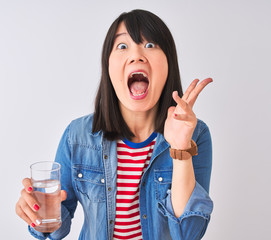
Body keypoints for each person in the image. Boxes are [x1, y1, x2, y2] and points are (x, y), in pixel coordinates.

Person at [15, 9, 213, 240]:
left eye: (150, 45)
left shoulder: (196, 135)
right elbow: (55, 227)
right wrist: (37, 214)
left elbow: (188, 234)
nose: (137, 55)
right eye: (122, 46)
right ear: (108, 66)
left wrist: (181, 149)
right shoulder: (76, 136)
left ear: (169, 63)